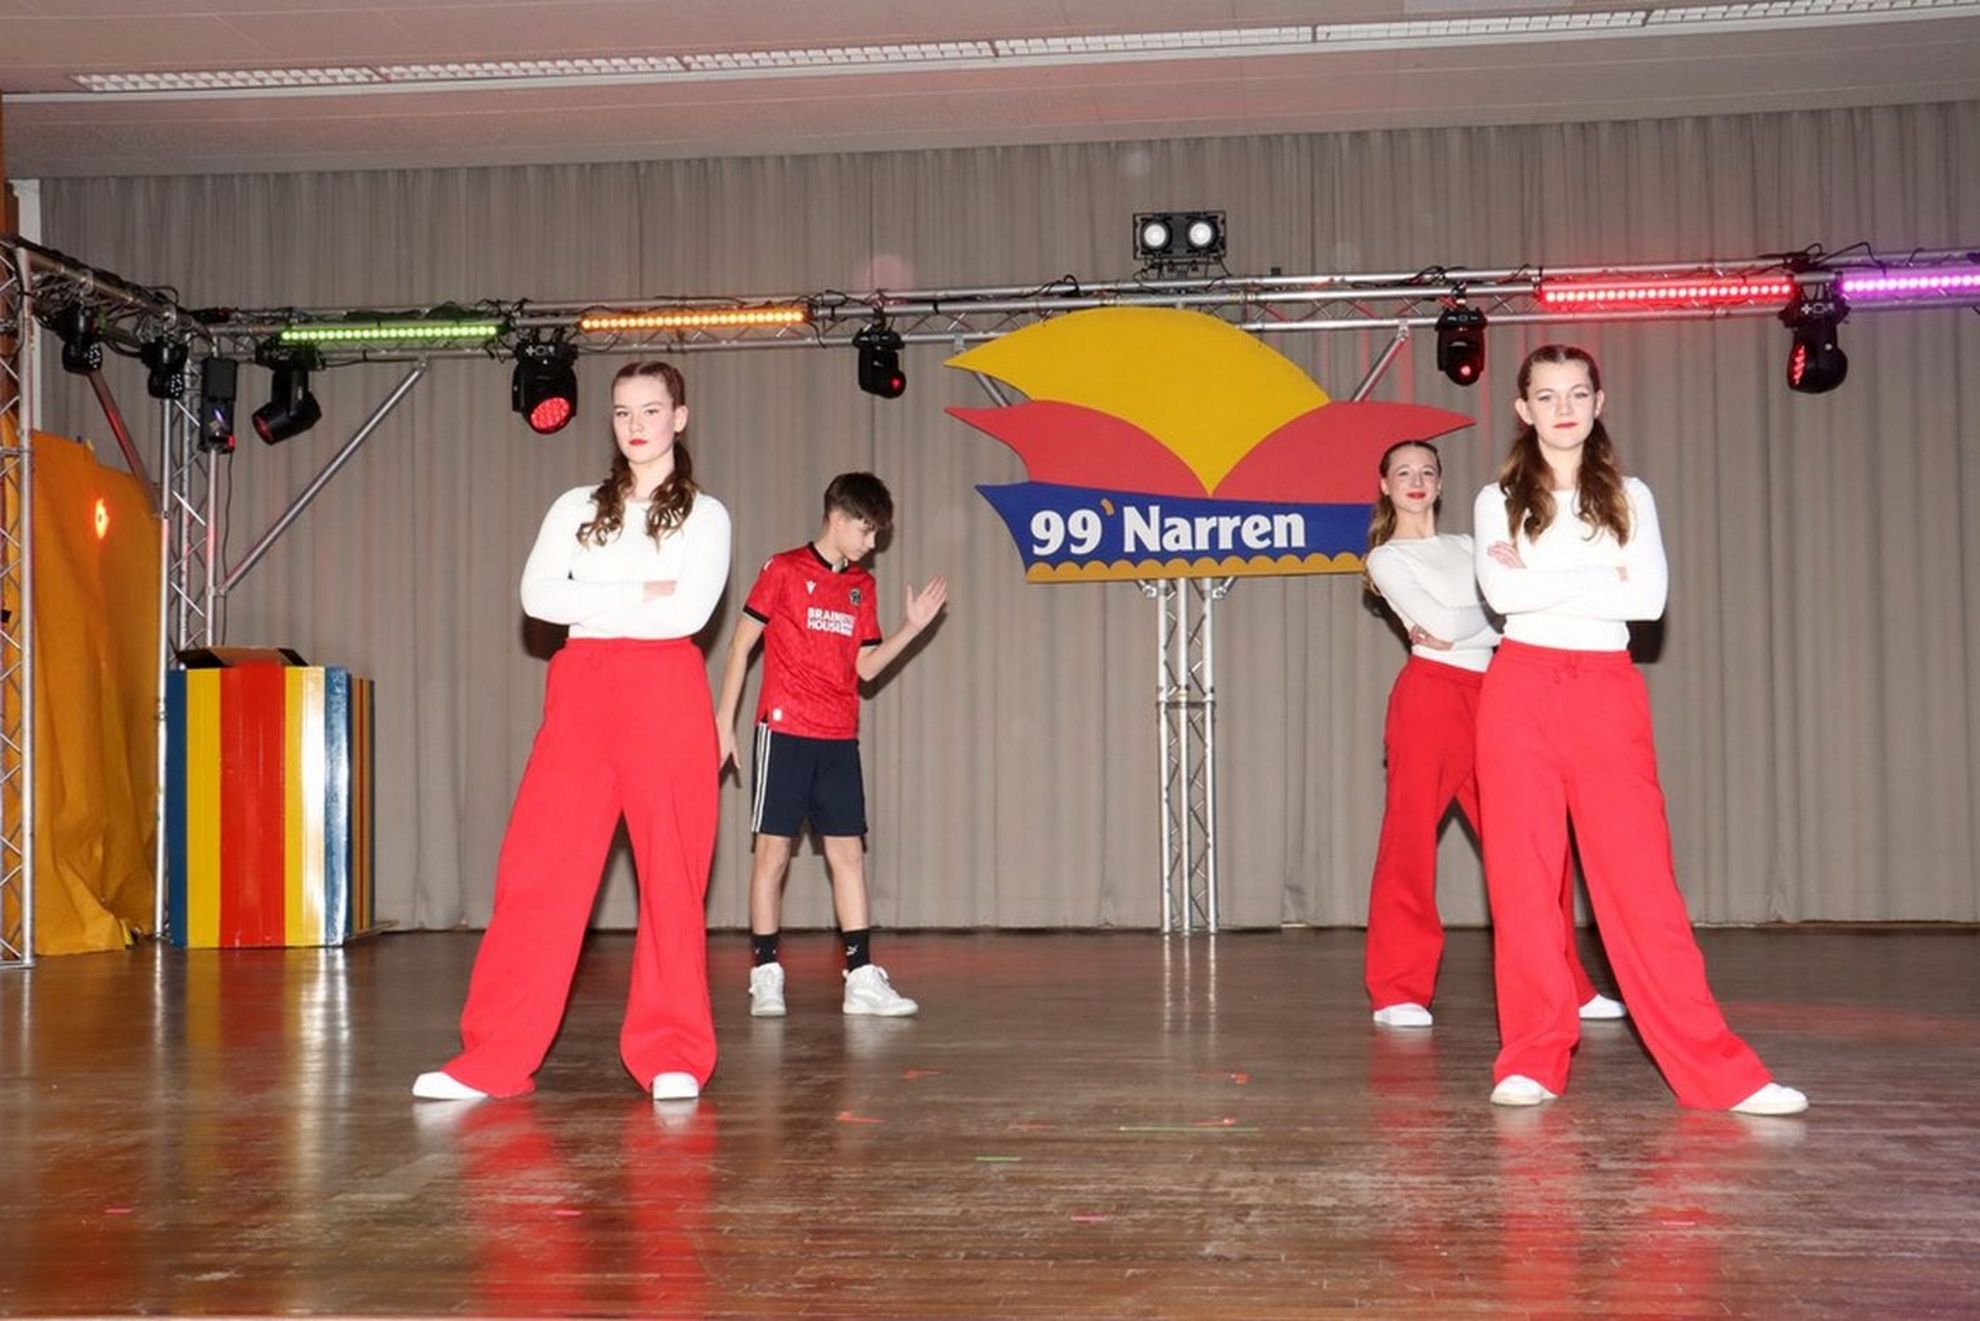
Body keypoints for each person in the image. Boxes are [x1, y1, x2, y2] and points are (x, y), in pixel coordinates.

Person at [1471, 343, 1806, 1115]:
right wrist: (1602, 574)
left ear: (1598, 403)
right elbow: (1503, 597)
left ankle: (1721, 1072)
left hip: (1605, 691)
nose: (1563, 408)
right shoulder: (1497, 499)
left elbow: (1647, 600)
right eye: (1546, 395)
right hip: (1519, 690)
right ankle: (1530, 1056)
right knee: (1522, 885)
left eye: (1576, 393)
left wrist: (1546, 580)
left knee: (1641, 885)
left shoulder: (1631, 495)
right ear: (1523, 409)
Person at [414, 359, 730, 1104]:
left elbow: (686, 613)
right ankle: (493, 1056)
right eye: (623, 412)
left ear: (679, 418)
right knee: (537, 871)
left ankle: (674, 1051)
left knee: (672, 880)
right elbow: (538, 599)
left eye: (651, 410)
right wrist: (638, 590)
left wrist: (588, 594)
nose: (636, 425)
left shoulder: (706, 515)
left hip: (666, 695)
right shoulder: (574, 508)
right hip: (581, 693)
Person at [1361, 439, 1622, 1029]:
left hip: (1497, 696)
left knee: (1536, 846)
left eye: (1427, 471)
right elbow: (1456, 621)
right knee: (1408, 844)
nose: (1416, 480)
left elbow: (1513, 613)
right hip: (1430, 699)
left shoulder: (1470, 545)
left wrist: (1481, 622)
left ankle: (1569, 985)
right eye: (1403, 472)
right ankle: (1397, 990)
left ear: (1440, 483)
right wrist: (1493, 618)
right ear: (1385, 486)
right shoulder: (1386, 560)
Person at [712, 472, 947, 1018]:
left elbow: (866, 668)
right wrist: (724, 722)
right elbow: (741, 646)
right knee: (772, 854)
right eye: (866, 530)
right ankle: (766, 974)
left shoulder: (862, 587)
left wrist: (911, 629)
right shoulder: (783, 569)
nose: (872, 542)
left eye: (877, 533)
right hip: (784, 731)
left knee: (848, 856)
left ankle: (861, 978)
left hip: (839, 737)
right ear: (838, 519)